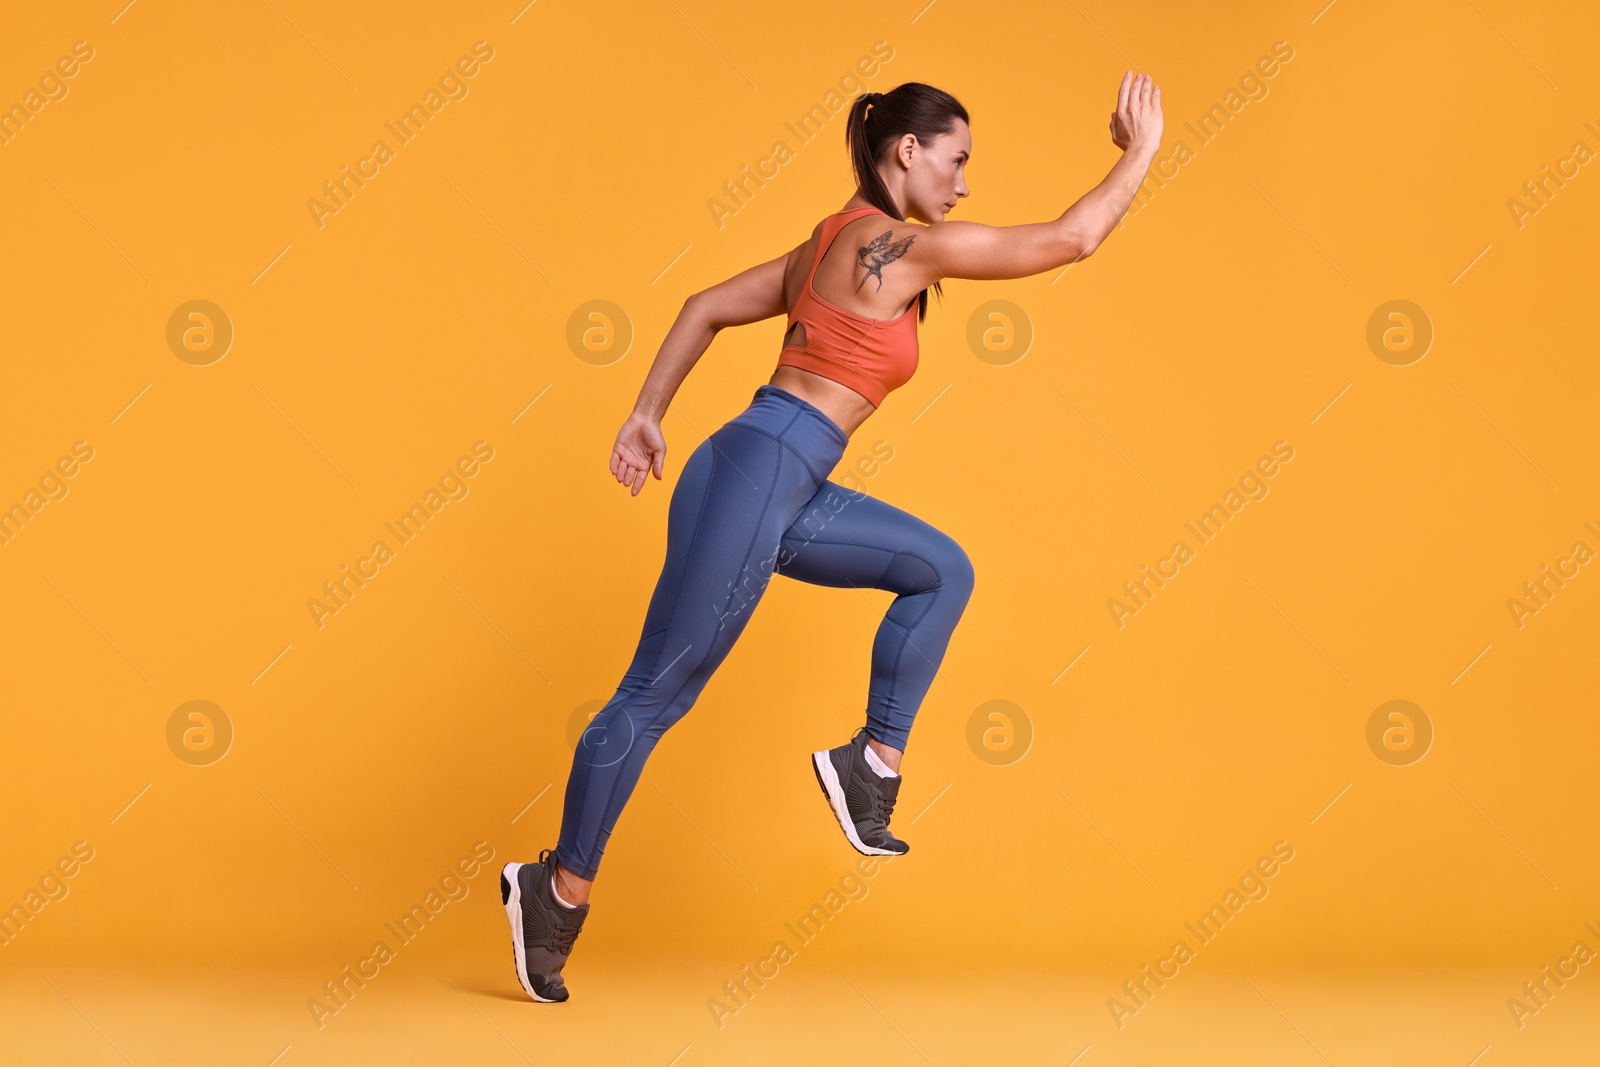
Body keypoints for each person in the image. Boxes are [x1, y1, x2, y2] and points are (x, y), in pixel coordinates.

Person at [501, 73, 1164, 1002]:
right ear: (908, 151)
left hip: (780, 477)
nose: (965, 182)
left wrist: (648, 414)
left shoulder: (826, 243)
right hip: (757, 471)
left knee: (942, 569)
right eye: (958, 158)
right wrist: (1140, 151)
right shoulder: (901, 247)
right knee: (654, 695)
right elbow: (1072, 237)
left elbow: (702, 303)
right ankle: (556, 889)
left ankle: (869, 764)